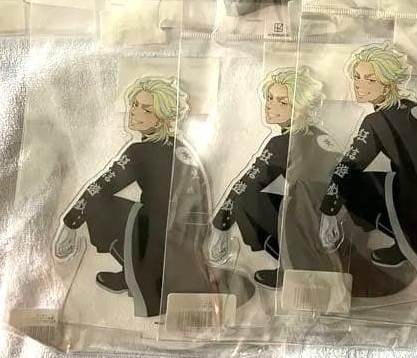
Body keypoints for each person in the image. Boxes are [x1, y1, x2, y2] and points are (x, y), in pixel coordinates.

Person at [53, 77, 214, 318]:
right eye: (135, 104)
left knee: (97, 205)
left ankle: (135, 274)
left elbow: (102, 186)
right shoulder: (181, 147)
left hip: (159, 236)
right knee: (136, 209)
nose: (135, 111)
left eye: (146, 109)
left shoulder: (141, 151)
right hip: (189, 237)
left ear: (161, 118)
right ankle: (133, 272)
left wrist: (70, 223)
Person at [317, 42, 417, 284]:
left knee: (355, 181)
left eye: (370, 79)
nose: (359, 84)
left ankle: (410, 238)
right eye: (357, 77)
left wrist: (328, 210)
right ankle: (406, 242)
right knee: (379, 176)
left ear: (388, 83)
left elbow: (349, 167)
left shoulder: (377, 120)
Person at [210, 66, 333, 290]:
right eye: (269, 98)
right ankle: (296, 265)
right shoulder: (321, 137)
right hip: (330, 229)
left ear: (302, 107)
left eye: (282, 102)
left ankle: (295, 267)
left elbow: (249, 181)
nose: (269, 105)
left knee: (248, 198)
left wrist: (221, 224)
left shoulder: (282, 144)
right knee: (269, 195)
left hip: (313, 229)